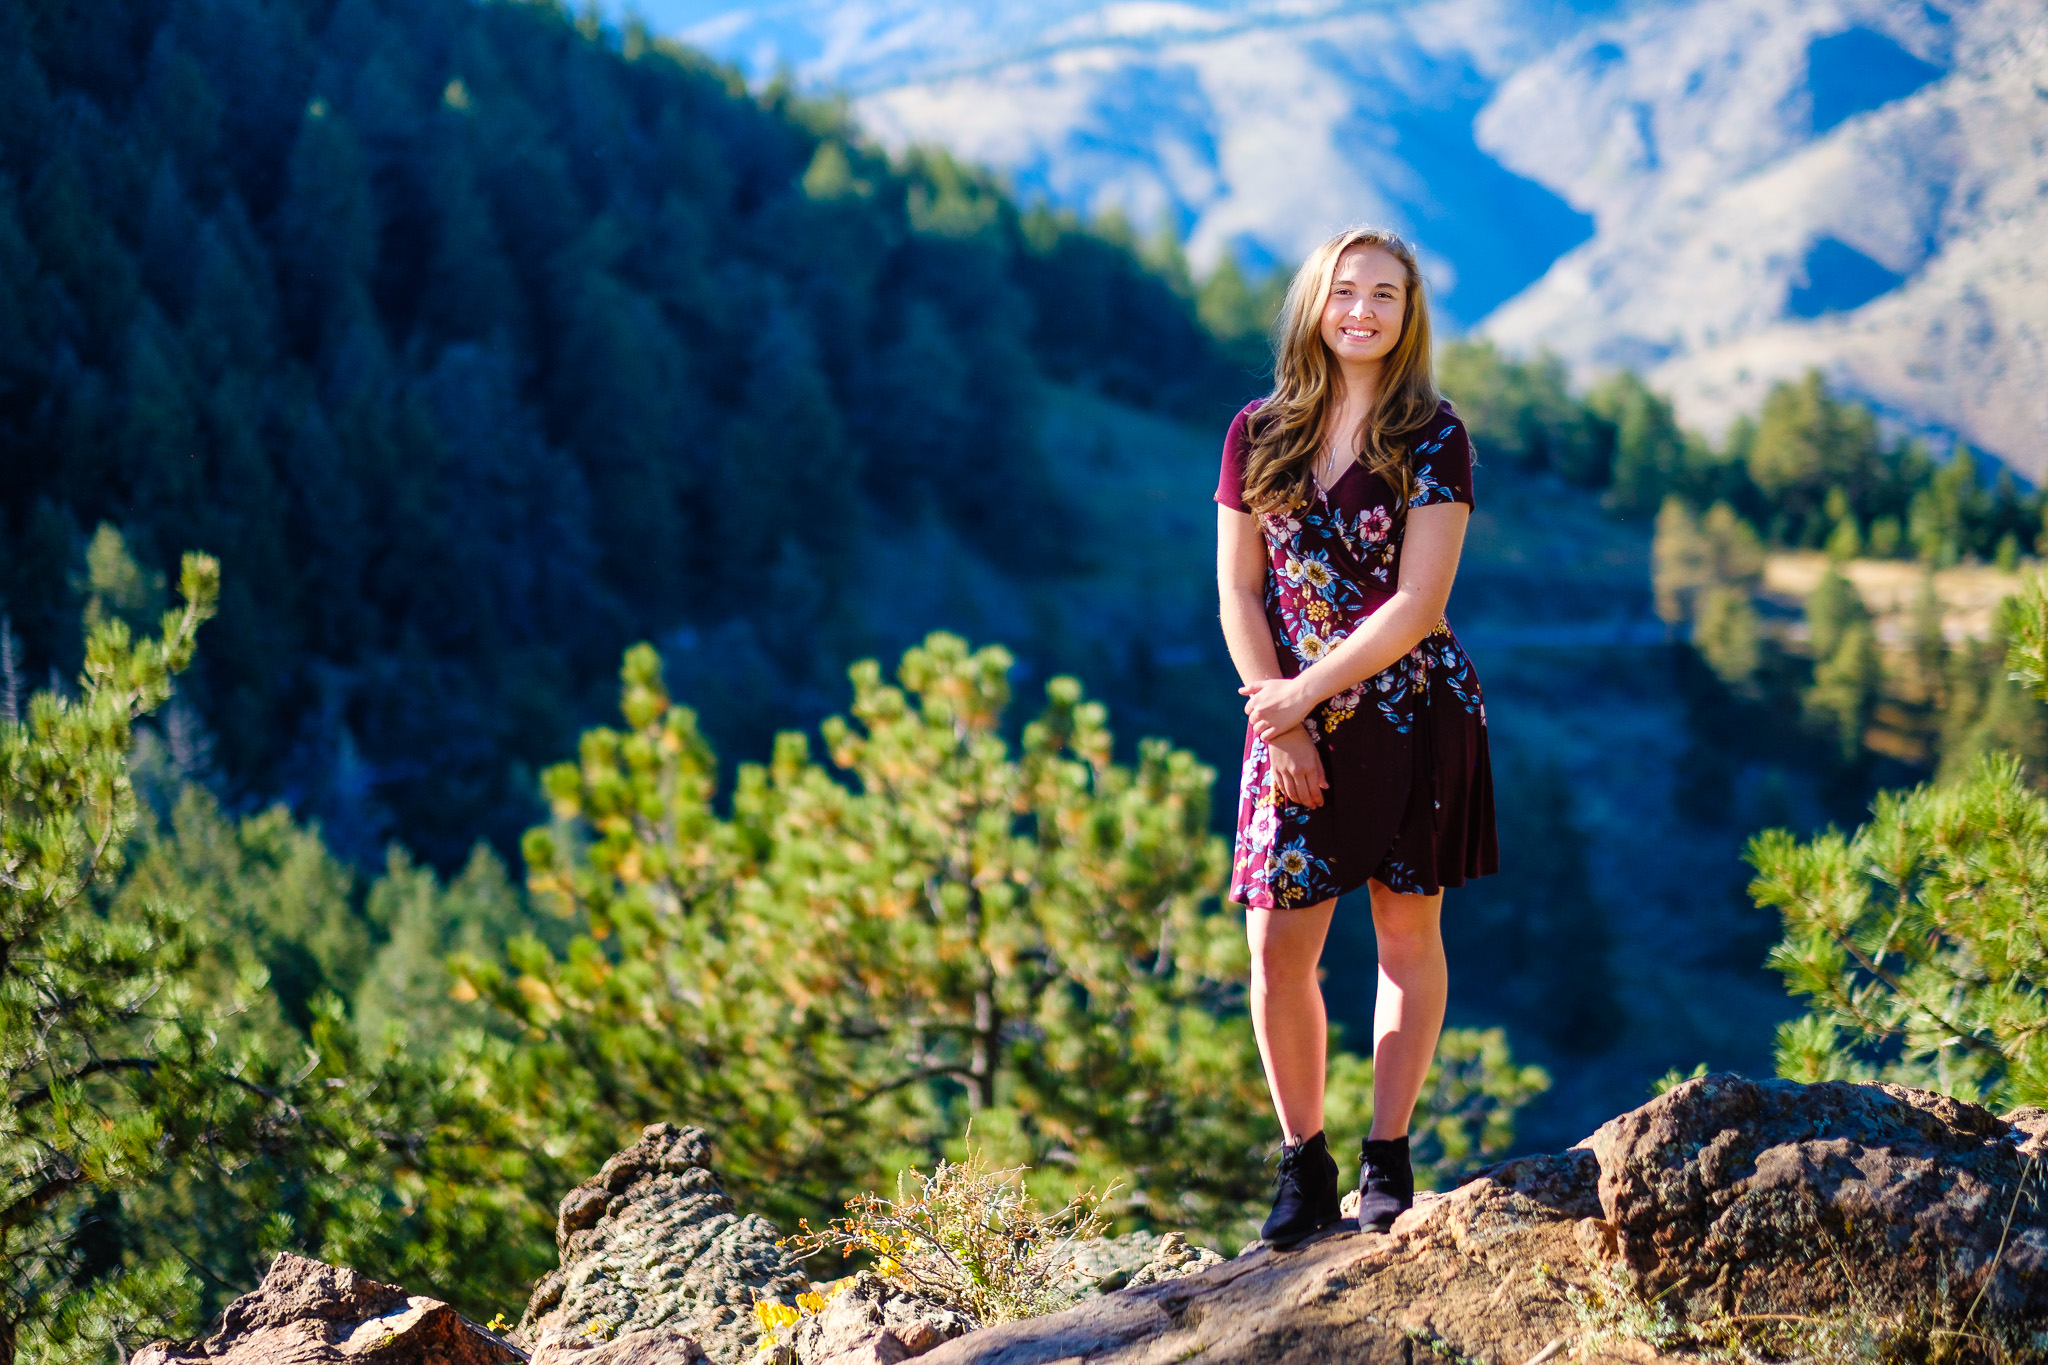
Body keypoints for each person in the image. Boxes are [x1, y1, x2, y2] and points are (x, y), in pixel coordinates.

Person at [1213, 226, 1499, 1246]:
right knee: (1276, 949)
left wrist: (1303, 695)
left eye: (1384, 294)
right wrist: (1273, 710)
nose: (1362, 311)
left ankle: (1388, 1153)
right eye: (1344, 292)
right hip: (1284, 726)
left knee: (1401, 937)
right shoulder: (1255, 431)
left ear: (1407, 313)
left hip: (1407, 713)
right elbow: (1238, 592)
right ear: (1313, 304)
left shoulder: (1434, 436)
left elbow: (1419, 603)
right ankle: (1303, 1164)